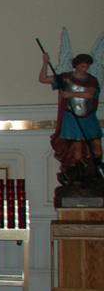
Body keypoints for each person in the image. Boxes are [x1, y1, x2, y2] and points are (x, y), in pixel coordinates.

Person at [39, 51, 102, 188]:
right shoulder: (65, 78)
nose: (85, 69)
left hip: (88, 116)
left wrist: (70, 93)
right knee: (77, 146)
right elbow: (43, 79)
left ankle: (94, 173)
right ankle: (79, 176)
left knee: (97, 145)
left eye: (87, 67)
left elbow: (90, 93)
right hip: (72, 116)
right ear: (77, 65)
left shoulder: (91, 80)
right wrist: (45, 62)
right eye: (83, 66)